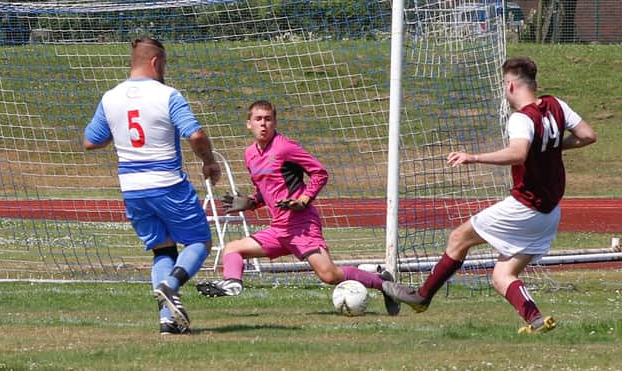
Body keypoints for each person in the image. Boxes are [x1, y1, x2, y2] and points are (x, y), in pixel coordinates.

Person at [383, 56, 597, 334]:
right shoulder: (556, 104)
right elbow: (588, 135)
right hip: (550, 212)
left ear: (510, 85)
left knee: (458, 238)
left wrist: (474, 157)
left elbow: (518, 152)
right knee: (502, 275)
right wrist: (551, 148)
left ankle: (422, 296)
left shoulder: (521, 119)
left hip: (525, 206)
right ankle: (536, 320)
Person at [196, 100, 400, 316]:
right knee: (232, 249)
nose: (263, 124)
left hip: (302, 226)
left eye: (268, 119)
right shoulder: (250, 154)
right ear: (249, 124)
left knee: (329, 275)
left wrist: (303, 200)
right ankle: (232, 284)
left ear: (275, 122)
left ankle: (383, 283)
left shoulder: (285, 147)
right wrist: (251, 202)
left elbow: (320, 173)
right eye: (258, 119)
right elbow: (266, 190)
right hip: (279, 230)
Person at [83, 37, 221, 335]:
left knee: (162, 251)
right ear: (156, 62)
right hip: (167, 182)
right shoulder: (167, 95)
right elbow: (195, 135)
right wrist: (209, 161)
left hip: (132, 188)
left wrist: (117, 131)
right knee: (200, 242)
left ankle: (168, 321)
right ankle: (171, 286)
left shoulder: (110, 97)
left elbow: (91, 141)